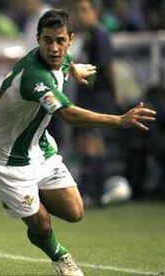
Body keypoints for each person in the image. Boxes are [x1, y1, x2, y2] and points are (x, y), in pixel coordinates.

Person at [0, 9, 156, 276]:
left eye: (60, 41)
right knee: (42, 225)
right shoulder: (34, 77)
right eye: (47, 40)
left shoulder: (60, 57)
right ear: (38, 40)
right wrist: (119, 120)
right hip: (4, 159)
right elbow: (68, 115)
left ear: (70, 39)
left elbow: (64, 61)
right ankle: (60, 256)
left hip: (39, 148)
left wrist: (74, 69)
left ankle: (21, 202)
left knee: (74, 211)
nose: (54, 47)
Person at [75, 0, 121, 205]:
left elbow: (107, 66)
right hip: (87, 96)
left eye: (85, 10)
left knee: (94, 143)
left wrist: (115, 93)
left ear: (96, 12)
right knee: (86, 143)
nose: (80, 15)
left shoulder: (100, 34)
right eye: (79, 11)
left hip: (98, 96)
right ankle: (89, 190)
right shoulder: (88, 35)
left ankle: (97, 192)